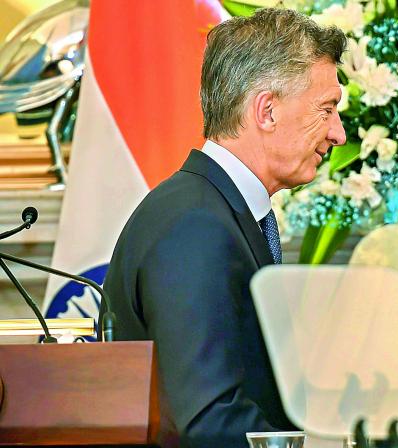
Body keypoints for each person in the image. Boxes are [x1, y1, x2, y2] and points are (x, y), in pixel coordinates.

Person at [103, 8, 347, 447]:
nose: (339, 133)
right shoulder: (195, 226)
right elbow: (207, 420)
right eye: (327, 109)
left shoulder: (210, 210)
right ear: (266, 111)